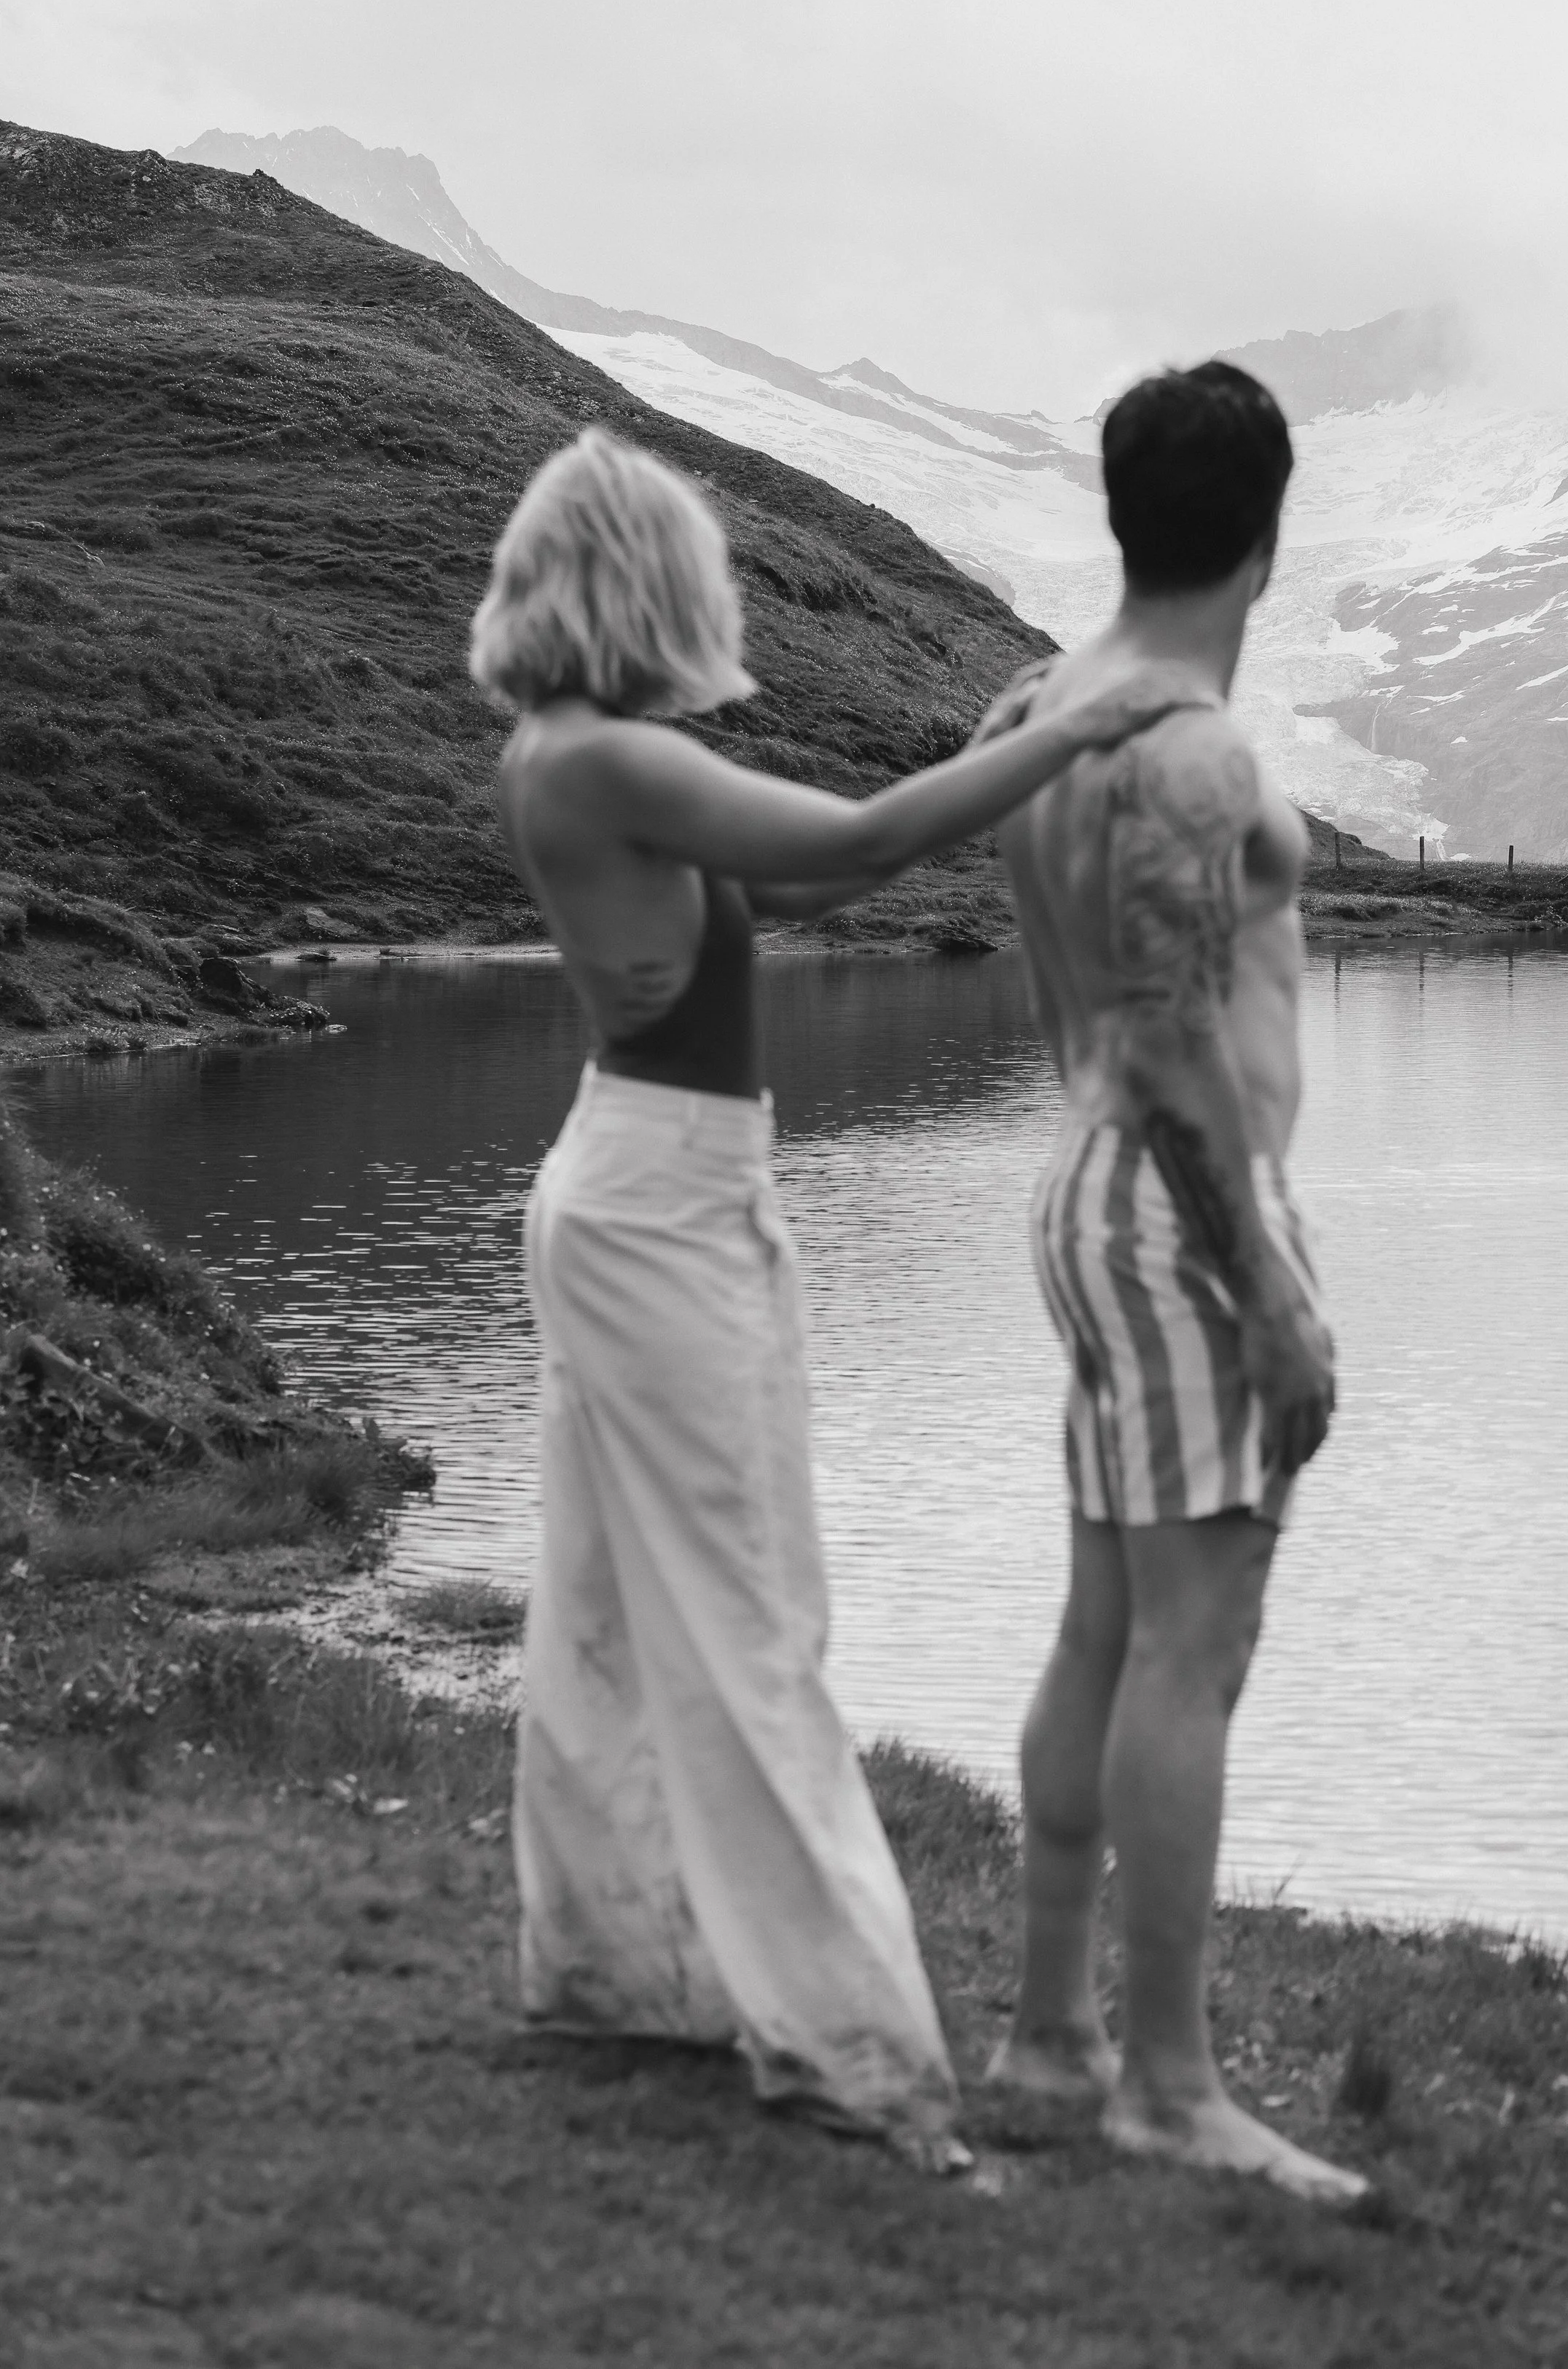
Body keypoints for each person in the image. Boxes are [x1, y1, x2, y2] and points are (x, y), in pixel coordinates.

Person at [469, 426, 1196, 2171]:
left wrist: (991, 743)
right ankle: (854, 2050)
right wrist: (1072, 732)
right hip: (661, 1208)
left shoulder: (583, 758)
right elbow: (864, 839)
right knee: (748, 1616)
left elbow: (801, 873)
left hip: (641, 1185)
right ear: (647, 590)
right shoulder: (602, 758)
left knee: (611, 1611)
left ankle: (615, 1968)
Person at [979, 361, 1368, 2203]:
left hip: (1081, 1189)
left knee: (1101, 1626)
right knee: (1190, 1652)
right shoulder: (1189, 751)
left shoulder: (1039, 702)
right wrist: (1274, 1297)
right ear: (1267, 537)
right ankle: (1164, 2079)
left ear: (1122, 513)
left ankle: (1051, 2035)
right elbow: (1170, 1037)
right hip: (1174, 1200)